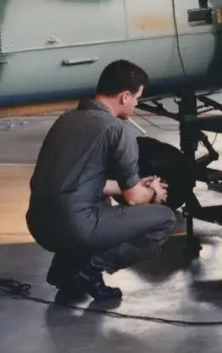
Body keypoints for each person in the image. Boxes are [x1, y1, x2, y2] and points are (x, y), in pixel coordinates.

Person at [25, 60, 177, 301]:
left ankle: (64, 267)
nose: (137, 104)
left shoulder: (66, 119)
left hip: (39, 226)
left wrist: (137, 185)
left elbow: (81, 181)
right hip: (73, 228)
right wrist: (153, 191)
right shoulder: (117, 129)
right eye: (137, 98)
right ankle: (88, 270)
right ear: (125, 96)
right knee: (165, 219)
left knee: (99, 201)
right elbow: (134, 198)